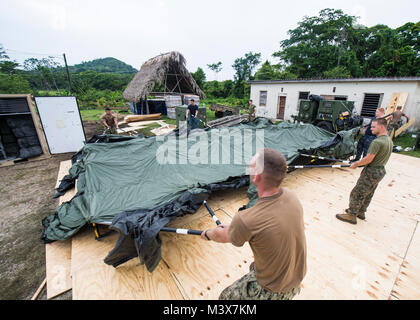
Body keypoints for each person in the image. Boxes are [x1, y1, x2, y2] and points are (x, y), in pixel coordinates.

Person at [201, 148, 307, 300]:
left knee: (225, 298)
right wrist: (234, 227)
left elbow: (221, 235)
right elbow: (264, 223)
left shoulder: (246, 219)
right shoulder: (291, 196)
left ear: (256, 177)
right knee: (254, 266)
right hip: (296, 278)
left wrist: (208, 234)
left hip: (273, 291)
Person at [336, 118, 393, 224]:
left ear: (381, 127)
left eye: (373, 127)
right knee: (369, 192)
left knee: (357, 192)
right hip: (380, 171)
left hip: (371, 171)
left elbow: (368, 159)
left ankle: (351, 215)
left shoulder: (377, 142)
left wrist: (356, 164)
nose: (371, 129)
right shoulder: (388, 140)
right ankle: (361, 212)